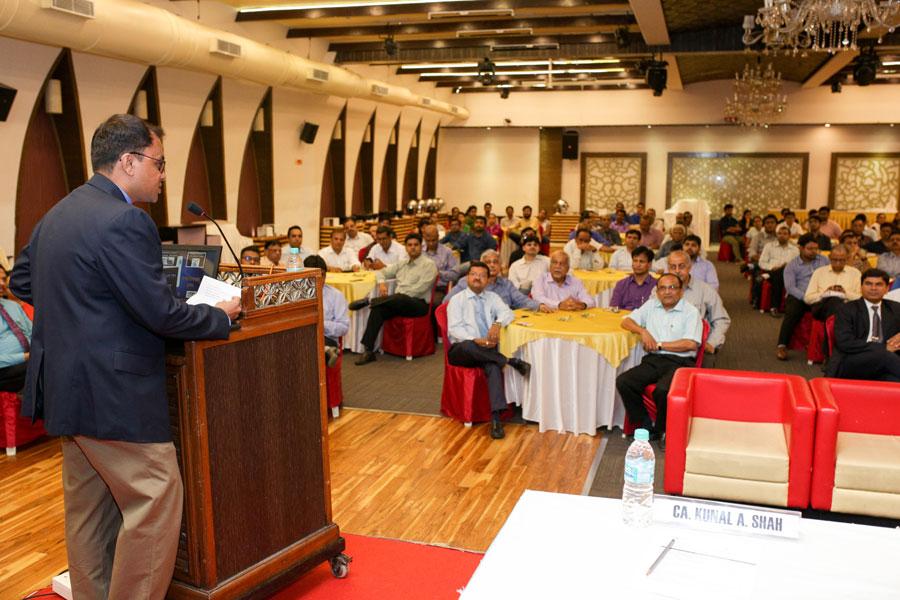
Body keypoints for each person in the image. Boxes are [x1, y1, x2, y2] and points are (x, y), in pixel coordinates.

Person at [8, 114, 241, 600]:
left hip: (65, 387)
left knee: (89, 513)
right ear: (129, 161)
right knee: (156, 497)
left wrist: (86, 309)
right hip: (114, 393)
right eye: (159, 163)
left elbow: (23, 281)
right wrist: (219, 315)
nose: (163, 174)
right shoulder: (126, 220)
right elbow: (161, 314)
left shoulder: (59, 212)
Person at [446, 261, 531, 440]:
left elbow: (508, 313)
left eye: (482, 275)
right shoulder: (457, 299)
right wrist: (476, 340)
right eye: (473, 274)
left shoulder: (492, 297)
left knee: (492, 366)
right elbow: (454, 330)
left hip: (487, 351)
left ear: (487, 280)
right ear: (467, 277)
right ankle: (508, 361)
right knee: (469, 345)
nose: (477, 278)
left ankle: (496, 420)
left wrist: (497, 324)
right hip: (461, 350)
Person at [616, 273, 703, 448]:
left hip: (681, 362)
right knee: (624, 381)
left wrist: (660, 344)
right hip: (654, 359)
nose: (667, 292)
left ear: (681, 291)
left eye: (672, 287)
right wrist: (643, 331)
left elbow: (691, 344)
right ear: (657, 292)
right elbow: (626, 322)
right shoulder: (651, 305)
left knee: (663, 391)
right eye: (662, 288)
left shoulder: (691, 312)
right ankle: (645, 426)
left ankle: (665, 430)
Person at [353, 233, 438, 365]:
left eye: (416, 245)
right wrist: (382, 283)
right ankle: (368, 350)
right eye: (409, 245)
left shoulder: (429, 265)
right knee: (378, 309)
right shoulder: (402, 263)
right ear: (406, 247)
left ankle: (369, 301)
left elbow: (420, 289)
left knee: (400, 297)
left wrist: (399, 296)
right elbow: (381, 272)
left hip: (418, 305)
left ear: (421, 247)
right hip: (399, 302)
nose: (413, 247)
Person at [825, 269, 900, 381]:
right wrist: (882, 348)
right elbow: (845, 342)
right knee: (885, 356)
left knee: (893, 380)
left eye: (878, 284)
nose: (873, 288)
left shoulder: (895, 308)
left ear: (887, 289)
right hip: (853, 360)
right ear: (861, 287)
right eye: (868, 284)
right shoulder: (846, 309)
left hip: (885, 363)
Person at [775, 234, 830, 360]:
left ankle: (828, 348)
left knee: (833, 310)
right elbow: (790, 288)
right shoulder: (792, 265)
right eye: (810, 249)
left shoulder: (824, 260)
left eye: (815, 248)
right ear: (800, 248)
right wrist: (806, 297)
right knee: (792, 311)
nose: (813, 251)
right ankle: (782, 345)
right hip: (800, 296)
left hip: (820, 295)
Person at [667, 251, 730, 358]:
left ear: (689, 267)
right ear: (668, 269)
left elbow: (721, 319)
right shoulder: (660, 290)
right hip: (665, 346)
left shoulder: (705, 290)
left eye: (681, 266)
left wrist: (712, 343)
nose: (677, 271)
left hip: (693, 349)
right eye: (673, 267)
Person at [445, 250, 548, 312]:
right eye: (488, 262)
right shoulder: (467, 281)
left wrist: (539, 306)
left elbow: (521, 300)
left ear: (500, 266)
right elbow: (447, 302)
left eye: (495, 262)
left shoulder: (506, 284)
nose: (492, 265)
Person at [303, 255, 348, 368]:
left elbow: (344, 328)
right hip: (303, 337)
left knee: (311, 346)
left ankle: (326, 350)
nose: (319, 279)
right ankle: (326, 351)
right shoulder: (297, 295)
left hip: (327, 338)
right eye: (314, 275)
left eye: (322, 275)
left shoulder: (336, 296)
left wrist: (320, 323)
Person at [804, 244, 862, 321]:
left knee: (838, 303)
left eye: (841, 260)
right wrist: (825, 293)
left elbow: (860, 298)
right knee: (834, 301)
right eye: (835, 260)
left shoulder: (855, 273)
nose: (838, 263)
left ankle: (832, 326)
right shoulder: (819, 272)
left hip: (847, 307)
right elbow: (807, 298)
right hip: (822, 307)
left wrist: (845, 293)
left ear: (847, 259)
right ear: (829, 257)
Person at [0, 265, 31, 393]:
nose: (2, 283)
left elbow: (33, 333)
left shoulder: (13, 306)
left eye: (3, 279)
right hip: (5, 367)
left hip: (27, 361)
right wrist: (25, 357)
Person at [757, 225, 799, 316]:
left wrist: (786, 267)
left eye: (785, 234)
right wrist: (772, 267)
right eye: (779, 233)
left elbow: (797, 265)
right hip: (772, 271)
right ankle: (774, 307)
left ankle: (774, 307)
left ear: (789, 236)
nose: (782, 236)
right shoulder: (769, 246)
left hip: (789, 274)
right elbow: (761, 262)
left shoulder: (795, 249)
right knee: (778, 276)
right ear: (777, 235)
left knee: (784, 270)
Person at [610, 246, 657, 311]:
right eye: (635, 261)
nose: (638, 265)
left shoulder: (656, 285)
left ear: (649, 264)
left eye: (641, 261)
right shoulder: (621, 284)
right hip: (624, 316)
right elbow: (614, 308)